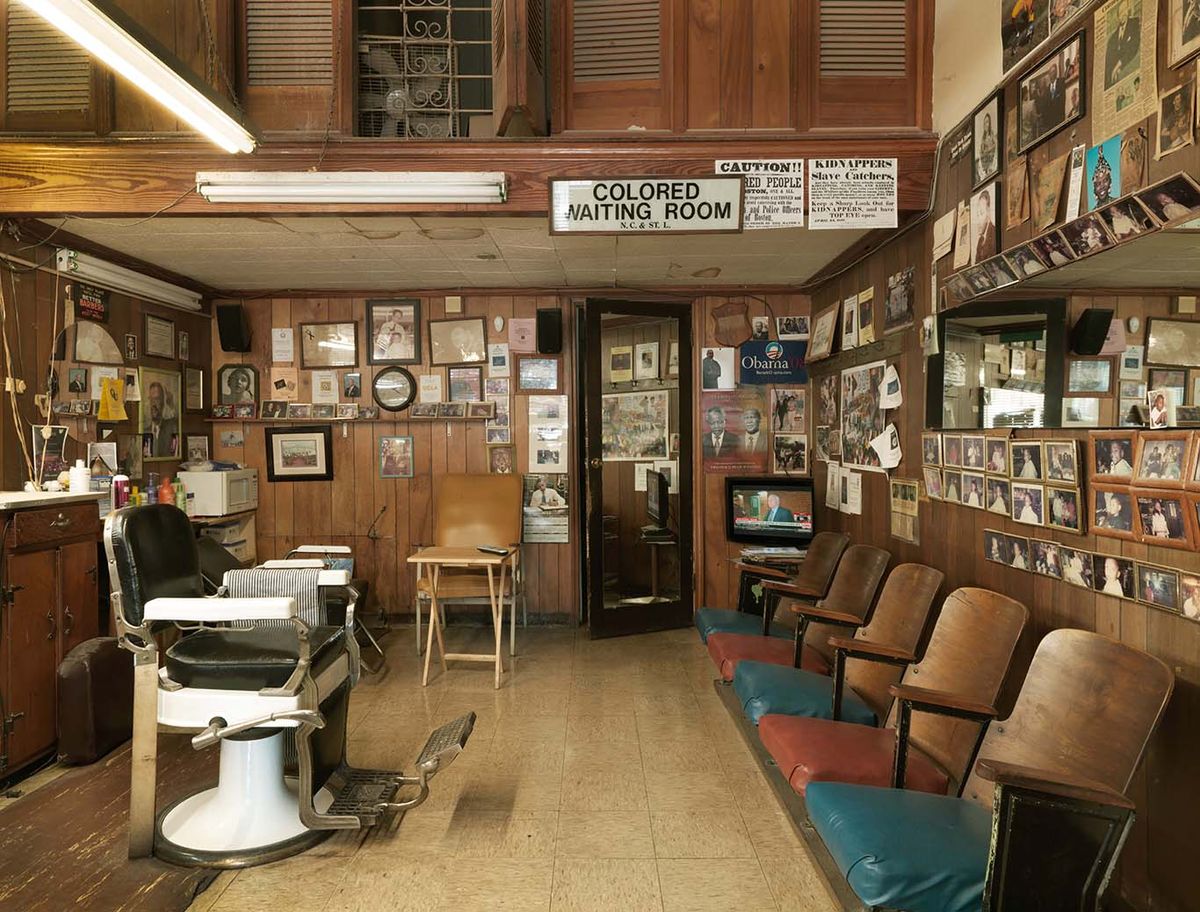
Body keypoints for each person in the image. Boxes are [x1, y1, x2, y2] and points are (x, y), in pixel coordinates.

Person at [1105, 0, 1141, 89]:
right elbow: (1109, 60)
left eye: (1124, 10)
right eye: (1120, 13)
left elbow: (1133, 47)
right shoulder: (1112, 38)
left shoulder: (1135, 23)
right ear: (1117, 16)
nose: (1123, 14)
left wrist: (1118, 65)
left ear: (1128, 10)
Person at [145, 381, 178, 458]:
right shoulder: (145, 431)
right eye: (151, 399)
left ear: (163, 402)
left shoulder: (170, 427)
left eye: (156, 399)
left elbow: (179, 422)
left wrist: (171, 405)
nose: (153, 404)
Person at [973, 189, 996, 263]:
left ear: (988, 212)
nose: (978, 221)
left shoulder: (994, 233)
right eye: (977, 215)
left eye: (981, 213)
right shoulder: (980, 240)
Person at [976, 113, 997, 180]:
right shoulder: (983, 138)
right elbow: (981, 151)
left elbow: (996, 144)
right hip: (985, 161)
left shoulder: (991, 134)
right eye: (984, 123)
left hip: (991, 159)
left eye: (987, 122)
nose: (986, 124)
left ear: (989, 123)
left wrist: (990, 148)